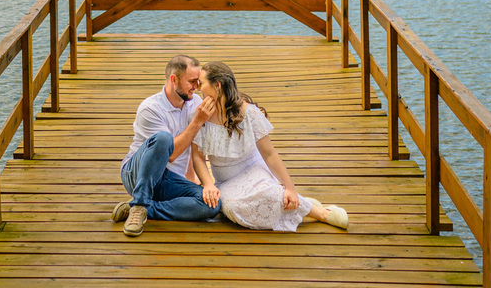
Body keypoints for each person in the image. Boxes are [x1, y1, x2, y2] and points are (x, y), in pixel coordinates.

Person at [190, 60, 349, 231]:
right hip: (226, 181)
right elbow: (197, 156)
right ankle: (303, 204)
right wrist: (208, 184)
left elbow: (269, 154)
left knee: (269, 194)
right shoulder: (201, 114)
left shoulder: (249, 112)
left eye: (201, 83)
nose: (198, 88)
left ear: (217, 85)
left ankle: (320, 213)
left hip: (253, 170)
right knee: (233, 209)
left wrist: (290, 188)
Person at [113, 55, 222, 236]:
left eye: (198, 82)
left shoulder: (194, 103)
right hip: (137, 174)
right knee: (163, 139)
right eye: (192, 82)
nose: (196, 87)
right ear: (174, 80)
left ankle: (143, 209)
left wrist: (192, 178)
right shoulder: (150, 108)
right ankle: (140, 201)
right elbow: (169, 153)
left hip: (168, 178)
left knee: (212, 205)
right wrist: (197, 122)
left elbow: (192, 147)